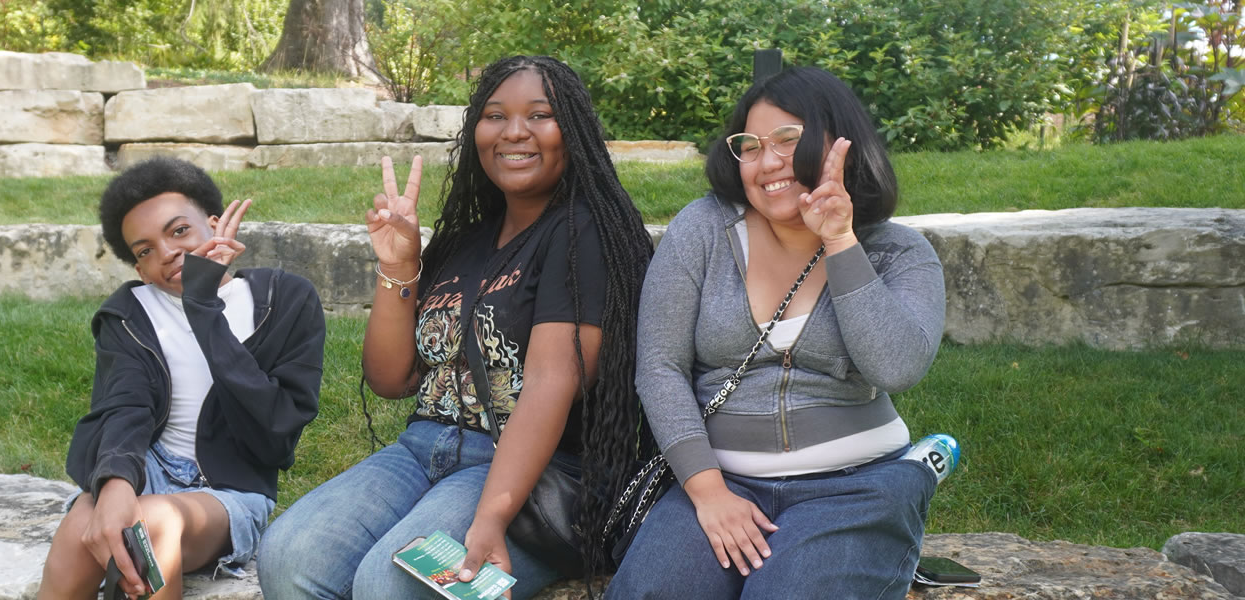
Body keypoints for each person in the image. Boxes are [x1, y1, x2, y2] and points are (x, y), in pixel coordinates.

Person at [257, 55, 654, 600]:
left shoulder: (584, 233)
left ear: (575, 130)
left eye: (540, 115)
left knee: (390, 584)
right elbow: (392, 379)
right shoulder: (465, 241)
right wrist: (398, 268)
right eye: (495, 115)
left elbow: (550, 383)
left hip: (531, 474)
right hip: (421, 449)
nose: (514, 131)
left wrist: (492, 517)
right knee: (288, 555)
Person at [607, 67, 947, 600]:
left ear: (837, 143)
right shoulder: (703, 230)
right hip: (722, 481)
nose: (767, 163)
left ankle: (915, 476)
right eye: (750, 146)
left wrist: (840, 241)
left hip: (855, 486)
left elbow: (897, 367)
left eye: (789, 141)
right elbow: (660, 365)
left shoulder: (897, 252)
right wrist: (707, 490)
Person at [40, 157, 326, 600]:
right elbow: (124, 405)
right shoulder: (132, 312)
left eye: (178, 231)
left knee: (152, 526)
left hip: (229, 490)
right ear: (138, 268)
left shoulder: (285, 299)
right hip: (147, 467)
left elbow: (274, 433)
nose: (167, 253)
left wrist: (203, 305)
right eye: (145, 250)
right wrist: (114, 485)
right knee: (82, 524)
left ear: (214, 225)